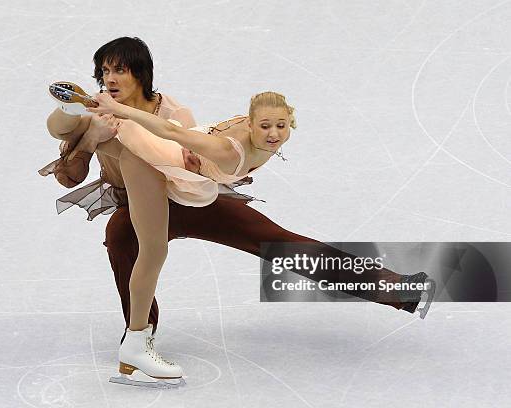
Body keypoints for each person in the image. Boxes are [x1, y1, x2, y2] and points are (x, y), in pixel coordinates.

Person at [40, 37, 435, 388]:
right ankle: (139, 339)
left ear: (140, 74)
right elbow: (65, 161)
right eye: (105, 71)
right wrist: (84, 124)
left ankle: (397, 289)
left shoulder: (173, 112)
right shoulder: (98, 113)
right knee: (121, 243)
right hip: (139, 205)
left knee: (279, 244)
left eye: (119, 70)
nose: (110, 78)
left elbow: (188, 160)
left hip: (191, 201)